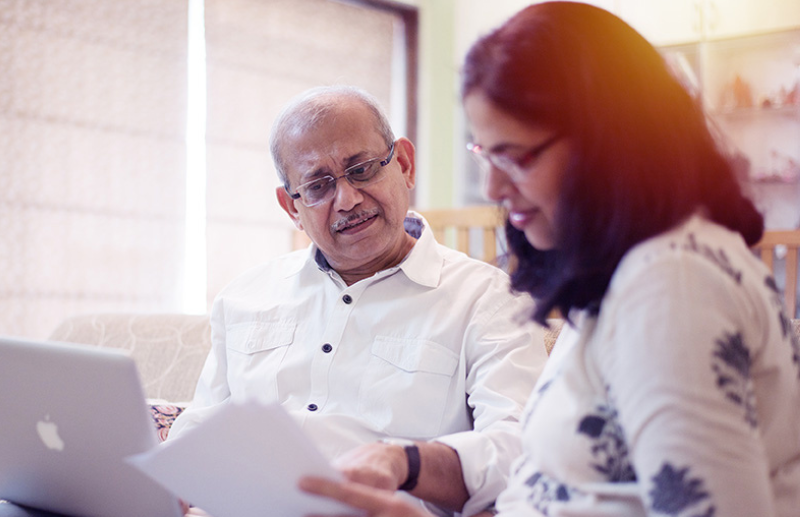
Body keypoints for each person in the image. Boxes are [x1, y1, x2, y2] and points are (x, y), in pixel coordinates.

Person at [299, 2, 800, 516]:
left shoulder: (672, 285)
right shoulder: (640, 272)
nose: (492, 187)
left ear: (611, 140)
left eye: (515, 157)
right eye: (487, 155)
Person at [168, 85, 548, 516]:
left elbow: (524, 450)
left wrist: (404, 461)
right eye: (318, 185)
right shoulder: (243, 296)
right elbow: (198, 432)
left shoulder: (488, 299)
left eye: (363, 170)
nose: (347, 199)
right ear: (291, 207)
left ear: (403, 164)